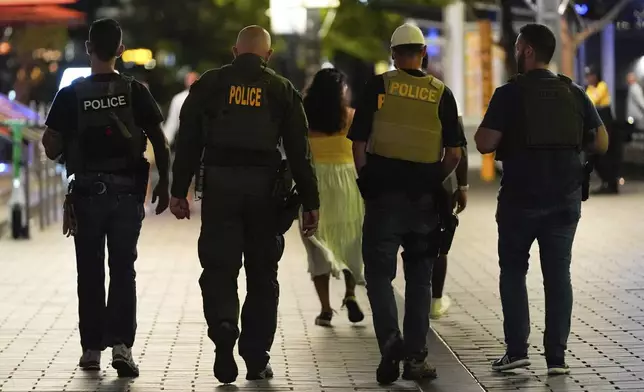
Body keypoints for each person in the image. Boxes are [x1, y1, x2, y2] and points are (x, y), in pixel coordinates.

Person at [169, 25, 320, 384]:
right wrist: (310, 201)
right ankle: (255, 356)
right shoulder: (281, 89)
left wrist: (178, 190)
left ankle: (223, 325)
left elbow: (188, 139)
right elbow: (300, 151)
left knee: (220, 267)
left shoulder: (210, 84)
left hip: (219, 187)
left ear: (235, 51)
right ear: (267, 56)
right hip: (266, 192)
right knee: (262, 274)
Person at [474, 23, 608, 375]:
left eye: (518, 46)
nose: (515, 52)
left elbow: (485, 142)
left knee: (514, 272)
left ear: (528, 50)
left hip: (520, 200)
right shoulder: (573, 91)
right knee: (558, 275)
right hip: (565, 200)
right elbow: (602, 141)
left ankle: (517, 350)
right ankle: (557, 359)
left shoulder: (509, 93)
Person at [41, 18, 170, 377]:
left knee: (90, 271)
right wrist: (166, 184)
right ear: (120, 50)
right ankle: (122, 347)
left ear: (87, 48)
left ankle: (90, 350)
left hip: (85, 195)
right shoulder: (135, 90)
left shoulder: (70, 94)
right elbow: (159, 140)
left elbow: (51, 146)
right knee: (123, 269)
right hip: (127, 194)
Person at [349, 23, 465, 384]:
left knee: (379, 275)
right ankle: (415, 359)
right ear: (423, 54)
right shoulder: (440, 93)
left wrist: (367, 179)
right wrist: (432, 179)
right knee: (420, 279)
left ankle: (389, 341)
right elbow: (455, 153)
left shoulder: (379, 86)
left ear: (394, 54)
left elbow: (358, 142)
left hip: (384, 196)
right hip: (424, 202)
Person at [301, 68, 365, 327]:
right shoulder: (351, 117)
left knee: (316, 242)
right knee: (350, 239)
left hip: (315, 182)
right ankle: (350, 293)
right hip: (347, 182)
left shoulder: (303, 118)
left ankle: (325, 309)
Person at [430, 99, 469, 320]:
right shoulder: (444, 97)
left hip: (401, 183)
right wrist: (462, 186)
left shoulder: (392, 95)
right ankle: (435, 301)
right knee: (439, 243)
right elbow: (458, 150)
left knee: (410, 241)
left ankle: (415, 298)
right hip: (440, 183)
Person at [585, 66, 620, 194]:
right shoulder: (589, 89)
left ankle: (611, 184)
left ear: (596, 76)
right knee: (595, 155)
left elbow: (593, 100)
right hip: (596, 123)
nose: (588, 78)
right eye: (587, 76)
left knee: (607, 154)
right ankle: (607, 182)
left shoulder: (602, 86)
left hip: (607, 122)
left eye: (590, 75)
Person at [163, 71, 199, 150]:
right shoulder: (178, 99)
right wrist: (166, 141)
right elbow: (172, 122)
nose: (191, 81)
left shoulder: (205, 97)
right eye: (189, 79)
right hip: (184, 140)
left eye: (193, 78)